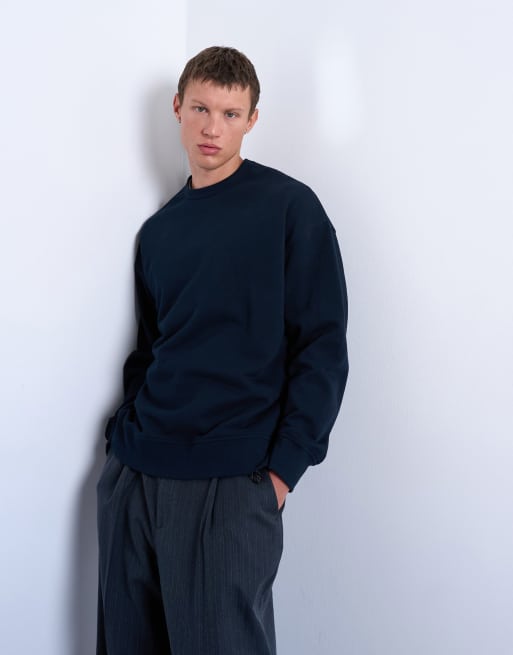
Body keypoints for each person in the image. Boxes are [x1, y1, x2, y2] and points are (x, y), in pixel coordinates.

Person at [96, 45, 349, 655]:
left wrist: (282, 472)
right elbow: (150, 349)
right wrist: (121, 445)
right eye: (201, 109)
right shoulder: (159, 231)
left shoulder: (290, 209)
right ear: (177, 108)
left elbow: (322, 347)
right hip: (137, 475)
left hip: (231, 482)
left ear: (252, 120)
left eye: (231, 114)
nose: (213, 128)